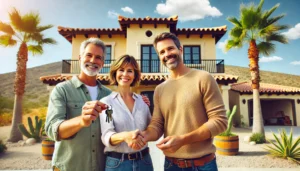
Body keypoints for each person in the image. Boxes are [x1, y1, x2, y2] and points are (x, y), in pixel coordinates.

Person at [45, 38, 150, 171]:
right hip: (70, 166)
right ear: (80, 58)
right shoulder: (62, 90)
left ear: (103, 62)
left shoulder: (108, 97)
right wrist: (81, 121)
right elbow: (52, 130)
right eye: (89, 55)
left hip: (100, 166)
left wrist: (142, 103)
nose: (93, 60)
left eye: (98, 57)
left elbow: (109, 127)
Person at [130, 32, 228, 171]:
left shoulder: (203, 78)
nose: (167, 54)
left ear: (180, 49)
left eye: (170, 48)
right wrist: (144, 136)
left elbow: (220, 122)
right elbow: (157, 125)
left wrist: (183, 140)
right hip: (171, 165)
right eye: (162, 52)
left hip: (203, 165)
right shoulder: (160, 89)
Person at [99, 55, 153, 171]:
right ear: (115, 73)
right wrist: (125, 136)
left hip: (144, 162)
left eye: (130, 71)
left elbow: (152, 127)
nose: (125, 74)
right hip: (118, 164)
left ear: (135, 75)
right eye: (121, 70)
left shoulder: (142, 102)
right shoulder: (107, 104)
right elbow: (107, 135)